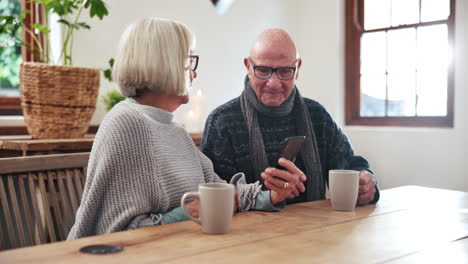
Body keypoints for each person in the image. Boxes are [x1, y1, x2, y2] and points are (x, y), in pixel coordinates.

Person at [67, 19, 295, 240]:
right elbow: (117, 233)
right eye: (189, 61)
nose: (194, 73)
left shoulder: (173, 129)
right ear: (164, 63)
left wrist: (271, 196)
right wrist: (191, 211)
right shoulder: (126, 124)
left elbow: (221, 193)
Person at [201, 28, 379, 205]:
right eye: (263, 70)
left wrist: (366, 182)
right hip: (248, 232)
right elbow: (214, 197)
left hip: (316, 228)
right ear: (248, 66)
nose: (273, 83)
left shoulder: (317, 116)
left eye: (285, 71)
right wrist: (268, 195)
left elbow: (351, 165)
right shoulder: (221, 122)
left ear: (297, 68)